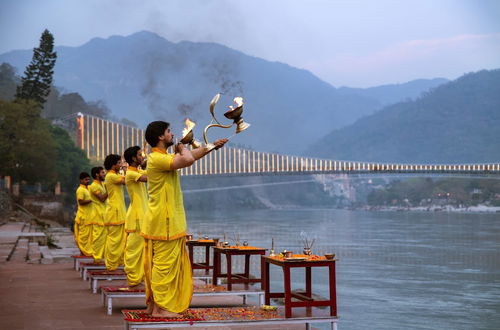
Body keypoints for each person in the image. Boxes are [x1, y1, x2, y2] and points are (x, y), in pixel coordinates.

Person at [141, 120, 227, 318]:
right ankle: (161, 309)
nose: (172, 134)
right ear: (161, 137)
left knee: (164, 264)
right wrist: (182, 147)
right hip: (165, 222)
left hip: (164, 221)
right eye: (169, 131)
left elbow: (189, 157)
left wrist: (211, 147)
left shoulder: (162, 158)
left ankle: (156, 306)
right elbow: (187, 159)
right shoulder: (156, 158)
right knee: (164, 266)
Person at [123, 146, 148, 288]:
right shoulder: (131, 174)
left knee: (142, 250)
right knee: (133, 249)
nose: (142, 156)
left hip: (143, 215)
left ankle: (140, 278)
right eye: (140, 155)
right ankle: (133, 279)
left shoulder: (136, 171)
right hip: (137, 217)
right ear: (133, 158)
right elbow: (149, 177)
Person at [103, 154, 127, 271]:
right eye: (119, 163)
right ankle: (111, 266)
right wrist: (127, 170)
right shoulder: (111, 176)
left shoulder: (114, 175)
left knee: (120, 240)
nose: (121, 165)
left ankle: (117, 263)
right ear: (113, 165)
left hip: (118, 211)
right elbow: (127, 180)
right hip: (114, 212)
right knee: (114, 240)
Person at [88, 166, 108, 263]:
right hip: (97, 214)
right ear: (97, 174)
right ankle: (96, 258)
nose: (104, 174)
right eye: (102, 173)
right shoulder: (94, 186)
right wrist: (110, 189)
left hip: (104, 213)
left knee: (105, 236)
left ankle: (102, 257)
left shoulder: (102, 184)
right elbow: (102, 198)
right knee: (98, 237)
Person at [74, 172, 93, 256]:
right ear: (81, 180)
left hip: (90, 216)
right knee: (83, 237)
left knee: (89, 237)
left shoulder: (88, 188)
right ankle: (83, 253)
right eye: (86, 179)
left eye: (89, 179)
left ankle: (87, 253)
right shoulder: (80, 190)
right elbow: (81, 202)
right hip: (83, 216)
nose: (88, 181)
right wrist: (91, 200)